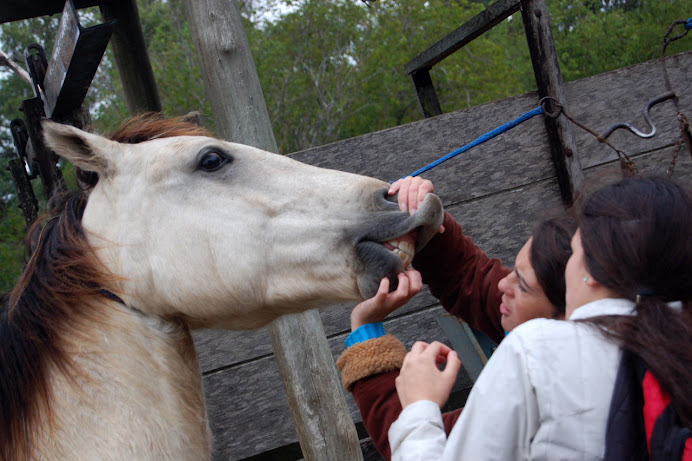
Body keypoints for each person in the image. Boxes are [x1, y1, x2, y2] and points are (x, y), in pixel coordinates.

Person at [388, 176, 692, 460]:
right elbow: (477, 285)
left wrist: (418, 408)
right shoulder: (675, 350)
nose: (503, 285)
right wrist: (426, 222)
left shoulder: (537, 350)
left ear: (595, 270)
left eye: (574, 253)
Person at [336, 176, 576, 459]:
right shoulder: (563, 334)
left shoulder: (536, 414)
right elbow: (470, 277)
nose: (503, 285)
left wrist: (417, 401)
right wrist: (423, 219)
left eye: (521, 284)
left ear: (566, 317)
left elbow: (411, 443)